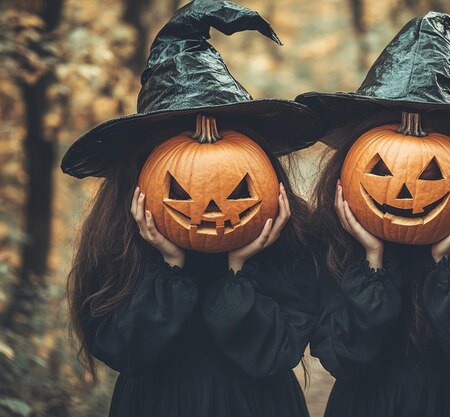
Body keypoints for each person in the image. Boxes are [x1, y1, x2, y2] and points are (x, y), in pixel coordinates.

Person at [63, 1, 321, 416]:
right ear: (145, 158)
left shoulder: (289, 233)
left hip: (257, 405)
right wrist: (170, 267)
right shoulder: (117, 235)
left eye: (221, 131)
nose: (213, 199)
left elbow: (276, 352)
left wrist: (240, 268)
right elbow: (123, 350)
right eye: (181, 136)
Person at [298, 12, 450, 417]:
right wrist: (372, 263)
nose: (405, 189)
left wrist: (444, 262)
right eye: (379, 168)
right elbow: (346, 360)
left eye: (430, 171)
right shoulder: (330, 237)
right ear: (351, 159)